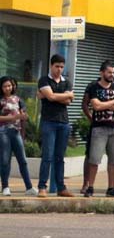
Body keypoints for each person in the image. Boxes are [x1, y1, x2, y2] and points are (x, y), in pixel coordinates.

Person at [84, 61, 114, 198]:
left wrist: (107, 104)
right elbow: (95, 106)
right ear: (101, 73)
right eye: (109, 72)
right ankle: (90, 187)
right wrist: (113, 102)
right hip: (99, 128)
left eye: (113, 72)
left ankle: (111, 187)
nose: (112, 75)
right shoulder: (94, 88)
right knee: (94, 159)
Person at [37, 54, 75, 197]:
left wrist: (52, 96)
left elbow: (67, 102)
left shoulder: (66, 82)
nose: (59, 69)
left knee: (60, 157)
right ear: (51, 66)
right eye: (57, 66)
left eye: (61, 67)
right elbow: (52, 97)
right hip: (49, 122)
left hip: (63, 122)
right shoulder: (44, 80)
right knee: (47, 155)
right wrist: (66, 95)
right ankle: (42, 187)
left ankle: (61, 187)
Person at [0, 76, 36, 196]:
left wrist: (24, 117)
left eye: (9, 85)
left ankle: (29, 187)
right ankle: (5, 187)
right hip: (3, 132)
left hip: (16, 132)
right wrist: (13, 118)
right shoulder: (0, 100)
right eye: (5, 86)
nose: (7, 88)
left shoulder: (18, 99)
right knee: (5, 160)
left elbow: (24, 115)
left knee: (23, 160)